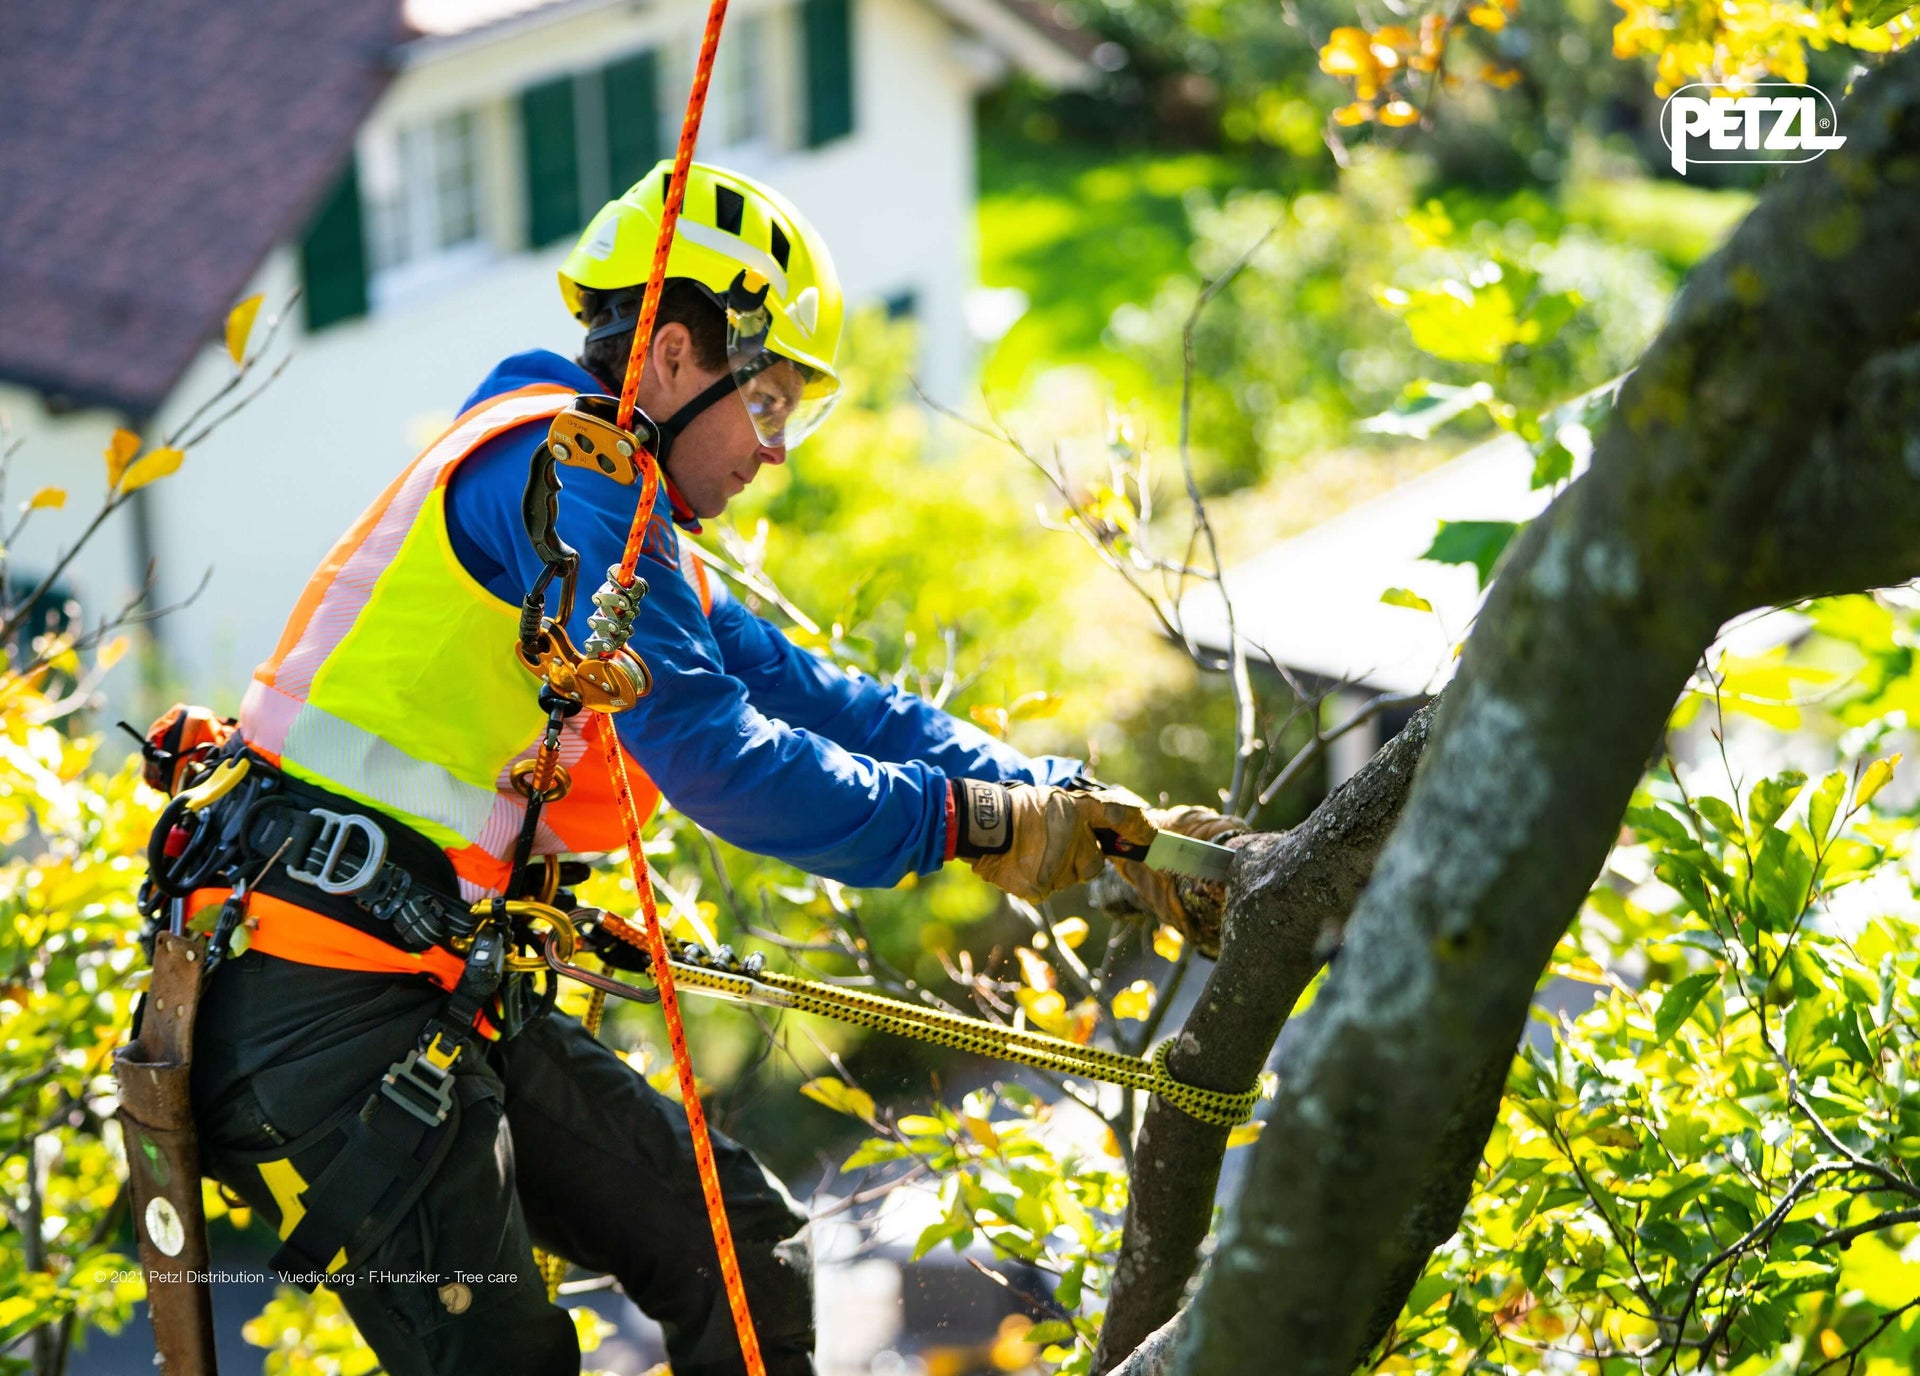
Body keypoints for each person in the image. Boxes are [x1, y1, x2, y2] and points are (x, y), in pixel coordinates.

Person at [171, 161, 1217, 1376]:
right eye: (768, 404)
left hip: (414, 983)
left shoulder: (610, 510)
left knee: (743, 1249)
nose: (774, 454)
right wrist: (979, 825)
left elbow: (826, 699)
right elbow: (727, 761)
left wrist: (1067, 801)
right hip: (319, 1010)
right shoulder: (564, 480)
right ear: (671, 357)